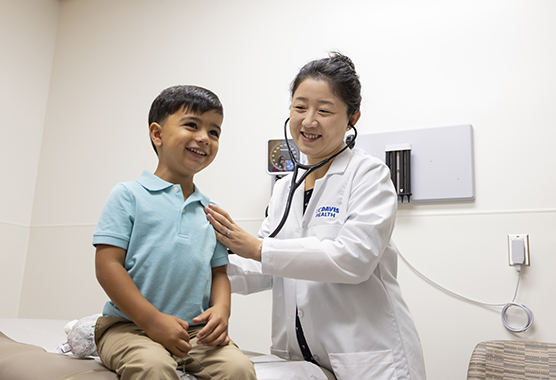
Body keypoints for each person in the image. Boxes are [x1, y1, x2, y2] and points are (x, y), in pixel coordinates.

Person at [204, 53, 427, 380]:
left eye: (324, 110)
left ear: (353, 118)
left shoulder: (368, 175)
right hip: (303, 362)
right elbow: (267, 270)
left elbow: (354, 259)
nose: (308, 121)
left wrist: (258, 248)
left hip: (367, 360)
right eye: (299, 107)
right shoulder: (284, 188)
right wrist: (201, 271)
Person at [93, 85, 257, 380]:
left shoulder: (211, 210)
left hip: (194, 332)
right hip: (128, 326)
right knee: (152, 367)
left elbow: (219, 272)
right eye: (192, 125)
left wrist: (222, 310)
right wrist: (152, 321)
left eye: (214, 132)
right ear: (157, 134)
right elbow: (107, 266)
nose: (204, 138)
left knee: (239, 369)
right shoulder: (128, 195)